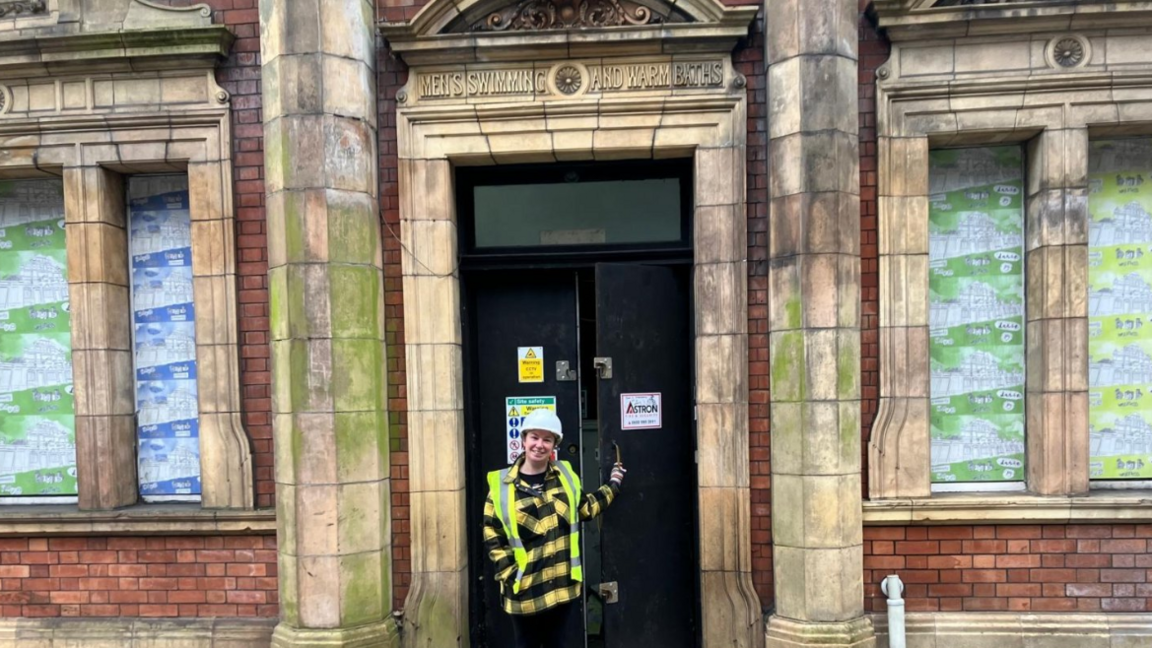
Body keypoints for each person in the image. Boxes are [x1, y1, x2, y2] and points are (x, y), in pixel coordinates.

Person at [483, 408, 626, 648]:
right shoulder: (502, 486)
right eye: (534, 437)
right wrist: (511, 576)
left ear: (554, 445)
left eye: (547, 439)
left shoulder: (565, 477)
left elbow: (586, 508)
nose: (539, 445)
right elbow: (492, 538)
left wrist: (614, 484)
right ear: (524, 439)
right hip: (525, 594)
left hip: (563, 591)